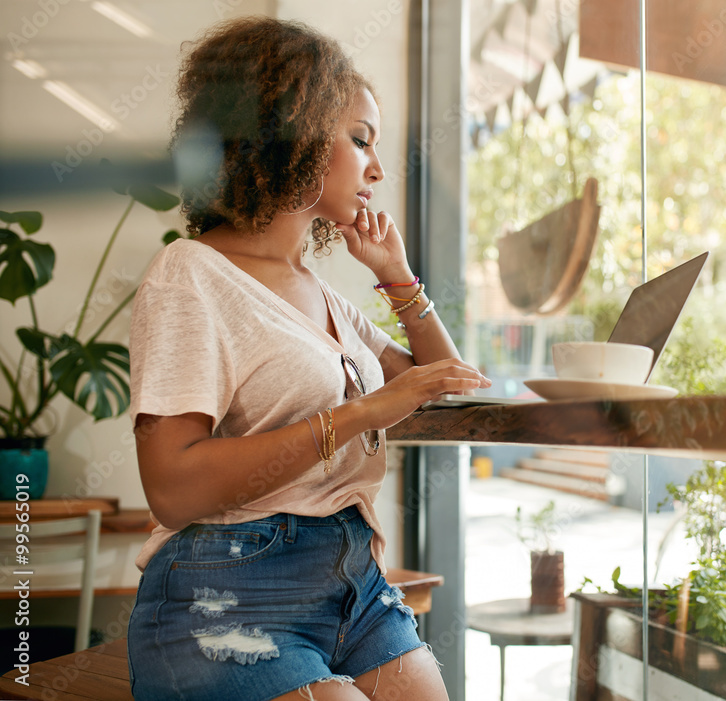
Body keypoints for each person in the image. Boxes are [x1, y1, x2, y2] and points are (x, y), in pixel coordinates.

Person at [126, 16, 488, 701]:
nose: (377, 169)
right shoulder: (191, 273)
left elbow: (441, 387)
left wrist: (400, 279)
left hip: (353, 583)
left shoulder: (325, 297)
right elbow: (171, 485)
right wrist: (357, 414)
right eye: (359, 140)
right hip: (224, 593)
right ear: (290, 130)